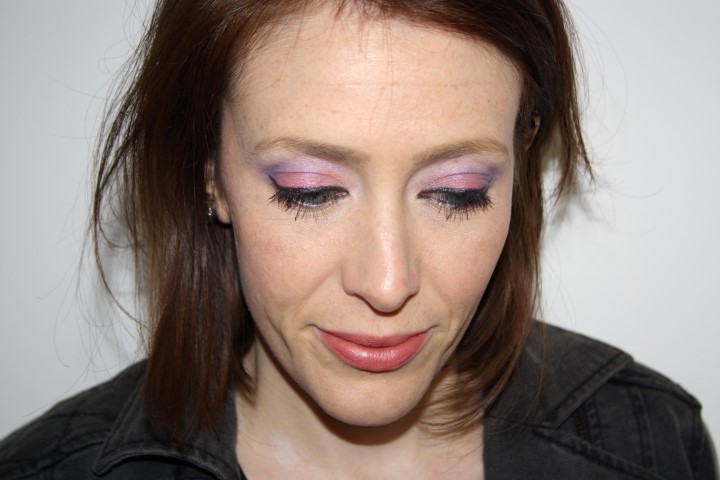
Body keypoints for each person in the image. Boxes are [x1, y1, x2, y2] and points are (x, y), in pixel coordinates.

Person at [0, 0, 717, 478]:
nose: (387, 283)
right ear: (209, 171)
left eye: (457, 191)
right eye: (309, 189)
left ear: (522, 159)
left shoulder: (650, 442)